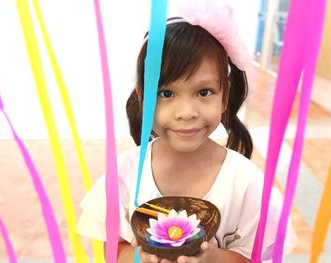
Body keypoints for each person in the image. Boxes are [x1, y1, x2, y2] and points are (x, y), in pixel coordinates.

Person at [77, 1, 296, 262]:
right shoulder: (124, 175)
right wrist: (139, 257)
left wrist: (214, 258)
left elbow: (252, 256)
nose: (186, 112)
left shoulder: (247, 184)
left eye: (204, 92)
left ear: (224, 96)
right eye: (166, 93)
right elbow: (113, 248)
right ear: (142, 98)